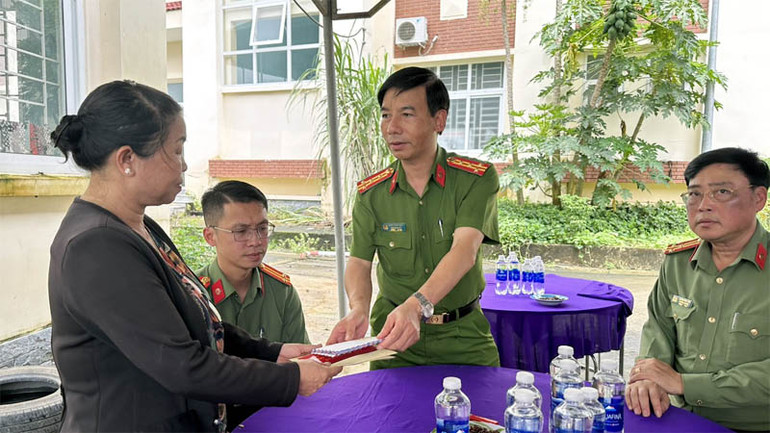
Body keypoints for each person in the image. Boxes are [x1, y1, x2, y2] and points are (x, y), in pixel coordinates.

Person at [48, 80, 340, 432]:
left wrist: (270, 352)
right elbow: (180, 363)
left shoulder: (137, 226)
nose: (184, 166)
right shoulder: (96, 245)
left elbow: (193, 320)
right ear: (127, 160)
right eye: (176, 150)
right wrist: (290, 380)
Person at [326, 67, 501, 369]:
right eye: (385, 115)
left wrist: (417, 305)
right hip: (393, 341)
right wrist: (358, 309)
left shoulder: (475, 179)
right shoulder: (372, 194)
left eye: (406, 114)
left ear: (439, 120)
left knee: (483, 414)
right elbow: (359, 262)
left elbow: (465, 250)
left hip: (462, 337)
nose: (392, 127)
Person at [626, 147, 769, 432]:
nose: (703, 205)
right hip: (677, 419)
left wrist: (684, 384)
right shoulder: (678, 263)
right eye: (694, 194)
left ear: (758, 198)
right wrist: (647, 376)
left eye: (722, 192)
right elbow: (658, 329)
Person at [197, 180, 310, 344]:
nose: (255, 241)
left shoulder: (281, 291)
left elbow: (301, 359)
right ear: (210, 236)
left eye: (262, 229)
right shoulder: (195, 294)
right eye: (241, 231)